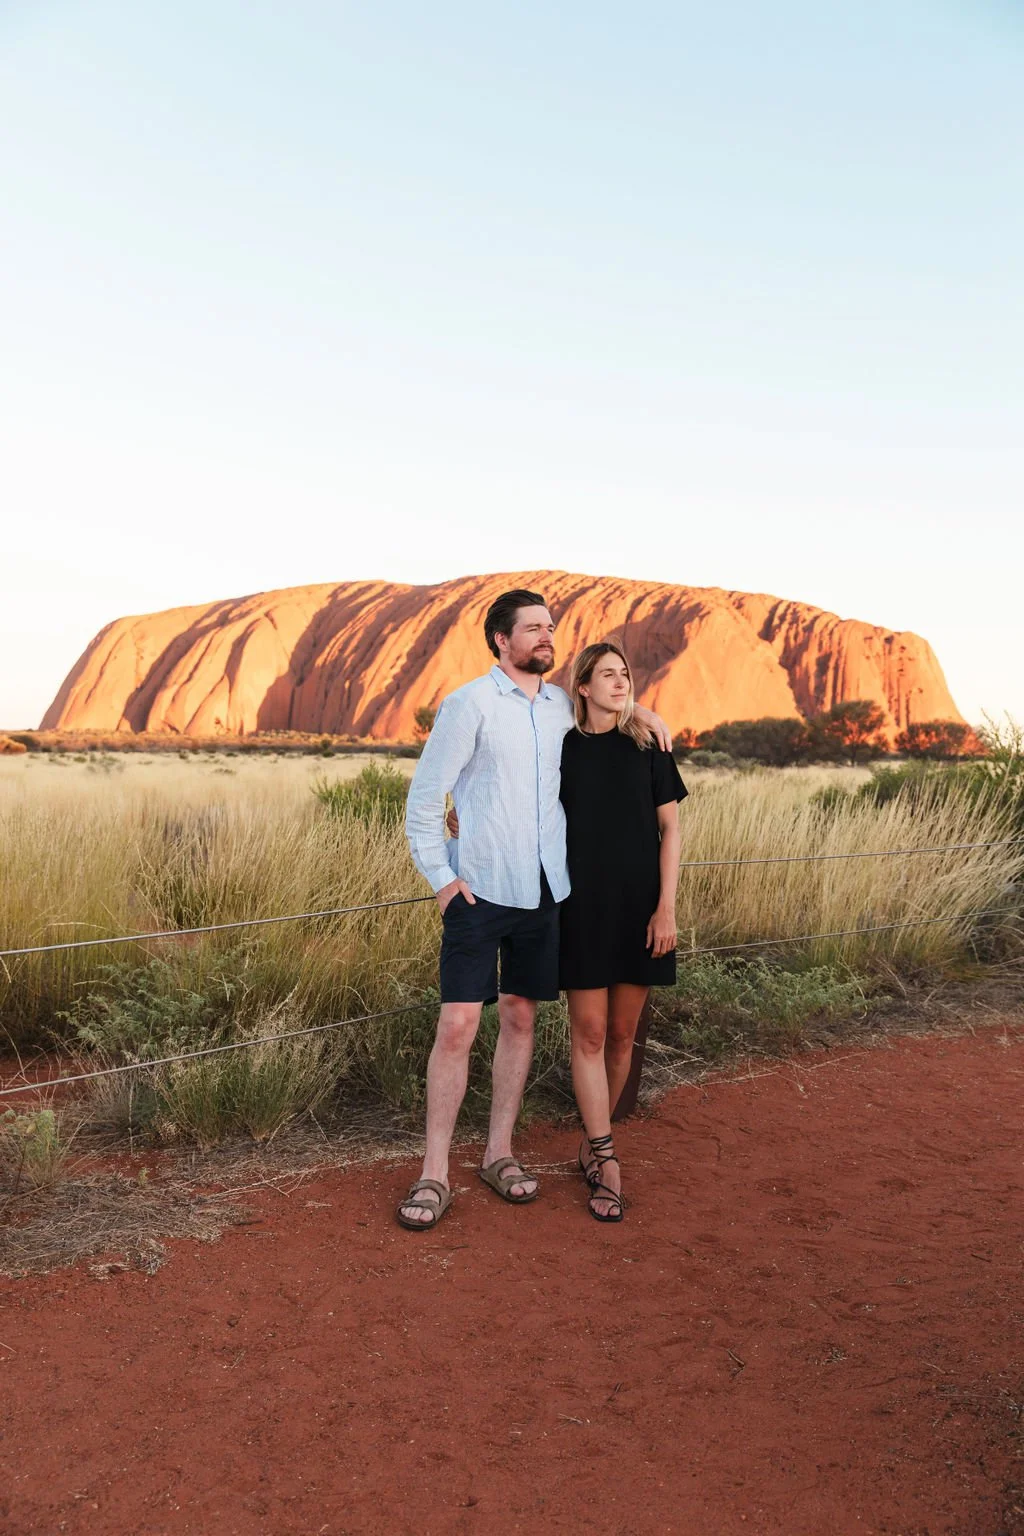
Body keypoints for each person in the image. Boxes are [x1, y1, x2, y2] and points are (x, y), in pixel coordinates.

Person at [397, 590, 671, 1230]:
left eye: (551, 628)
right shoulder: (467, 705)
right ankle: (435, 1171)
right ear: (501, 640)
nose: (547, 637)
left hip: (546, 893)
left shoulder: (558, 709)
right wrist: (441, 879)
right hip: (479, 889)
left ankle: (499, 1153)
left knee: (521, 1020)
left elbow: (608, 712)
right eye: (533, 629)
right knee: (459, 1027)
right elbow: (424, 800)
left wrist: (643, 707)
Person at [558, 642, 687, 1222]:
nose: (619, 682)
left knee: (621, 1036)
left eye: (624, 674)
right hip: (581, 909)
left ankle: (592, 1139)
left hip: (641, 909)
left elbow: (671, 831)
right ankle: (606, 1157)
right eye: (606, 675)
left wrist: (667, 909)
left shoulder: (649, 747)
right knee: (587, 1033)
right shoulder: (562, 749)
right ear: (582, 686)